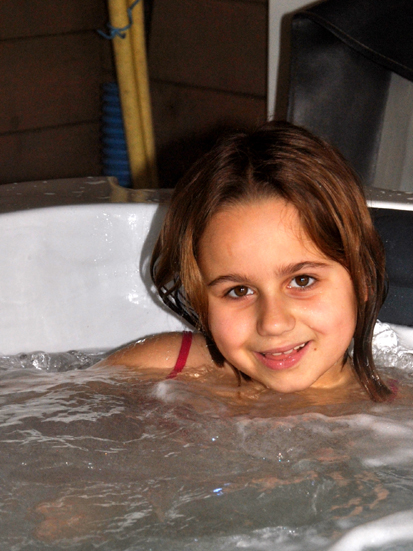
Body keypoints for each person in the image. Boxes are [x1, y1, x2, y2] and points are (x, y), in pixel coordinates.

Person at [102, 121, 392, 403]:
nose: (273, 323)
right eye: (239, 290)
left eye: (302, 280)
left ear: (363, 279)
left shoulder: (395, 414)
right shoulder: (157, 370)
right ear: (199, 300)